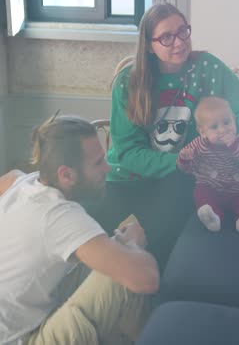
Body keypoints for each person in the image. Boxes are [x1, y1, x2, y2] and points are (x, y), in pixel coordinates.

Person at [91, 2, 239, 269]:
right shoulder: (128, 81)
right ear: (149, 45)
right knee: (88, 225)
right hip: (127, 178)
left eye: (183, 31)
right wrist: (184, 161)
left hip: (177, 180)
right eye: (167, 37)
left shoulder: (208, 68)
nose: (179, 42)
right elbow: (127, 152)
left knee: (172, 218)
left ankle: (149, 283)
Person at [0, 115, 159, 345]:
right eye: (97, 163)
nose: (108, 167)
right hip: (23, 339)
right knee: (126, 272)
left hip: (23, 315)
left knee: (115, 256)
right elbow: (147, 279)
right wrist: (134, 243)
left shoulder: (18, 181)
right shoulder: (58, 216)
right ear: (66, 174)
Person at [177, 96, 239, 233]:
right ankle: (212, 218)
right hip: (210, 187)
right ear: (202, 132)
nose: (222, 130)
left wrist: (234, 145)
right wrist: (185, 159)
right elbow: (188, 169)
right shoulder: (199, 145)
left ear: (234, 120)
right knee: (201, 194)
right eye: (214, 127)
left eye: (226, 122)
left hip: (236, 190)